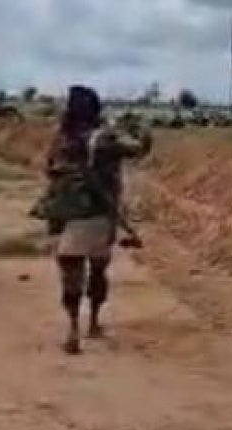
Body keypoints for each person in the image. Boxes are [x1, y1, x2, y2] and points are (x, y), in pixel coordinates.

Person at [41, 85, 152, 355]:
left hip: (61, 212)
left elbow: (48, 169)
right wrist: (140, 127)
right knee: (98, 268)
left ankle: (72, 329)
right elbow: (139, 149)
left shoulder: (60, 138)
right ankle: (92, 323)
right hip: (98, 213)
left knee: (70, 271)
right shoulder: (104, 139)